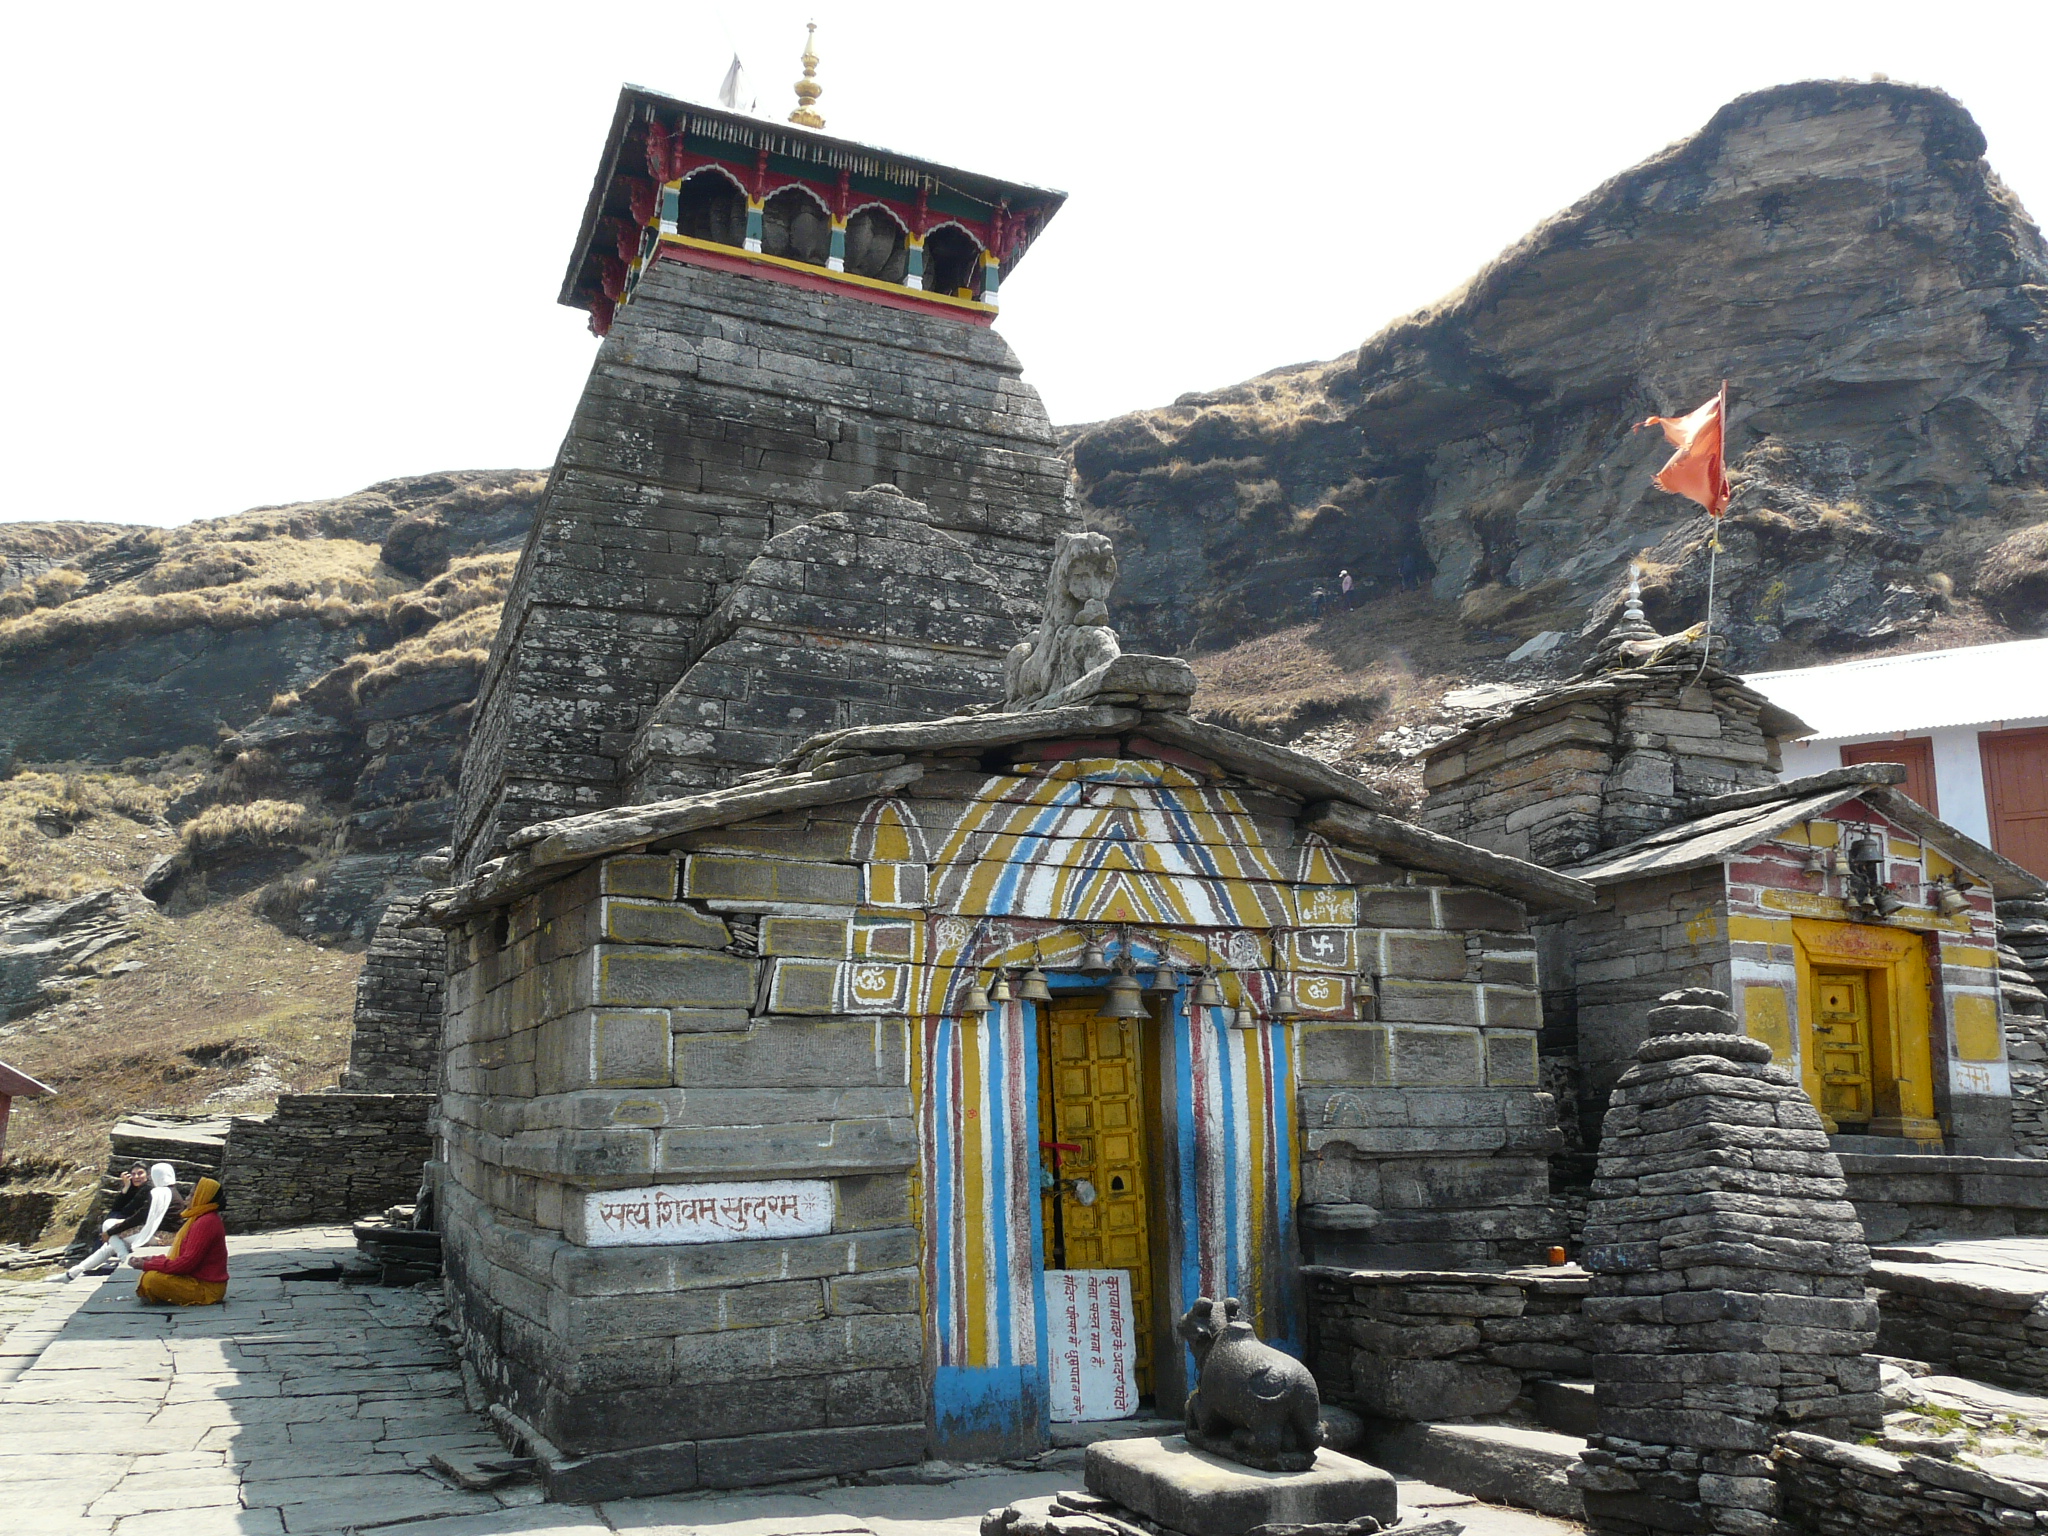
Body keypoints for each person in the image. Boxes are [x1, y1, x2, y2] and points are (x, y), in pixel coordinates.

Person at [64, 1162, 177, 1281]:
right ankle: (74, 1272)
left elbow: (138, 1216)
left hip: (162, 1236)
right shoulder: (169, 1192)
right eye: (133, 1174)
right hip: (161, 1233)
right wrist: (126, 1188)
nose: (136, 1177)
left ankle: (125, 1260)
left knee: (109, 1229)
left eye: (140, 1173)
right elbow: (119, 1208)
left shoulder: (156, 1192)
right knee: (111, 1243)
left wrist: (111, 1231)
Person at [129, 1176, 228, 1306]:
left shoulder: (206, 1222)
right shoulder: (201, 1218)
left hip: (207, 1288)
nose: (187, 1199)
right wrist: (152, 1259)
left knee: (151, 1279)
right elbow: (183, 1258)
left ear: (201, 1197)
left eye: (192, 1195)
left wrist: (146, 1265)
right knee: (150, 1275)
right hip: (198, 1281)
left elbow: (186, 1264)